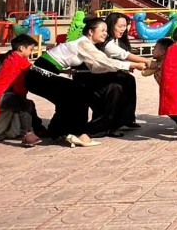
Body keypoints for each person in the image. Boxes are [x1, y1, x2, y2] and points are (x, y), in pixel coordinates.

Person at [30, 18, 146, 147]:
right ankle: (77, 133)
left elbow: (96, 67)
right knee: (78, 94)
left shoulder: (86, 45)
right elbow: (106, 62)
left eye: (106, 31)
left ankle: (57, 131)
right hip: (39, 75)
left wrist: (124, 67)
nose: (105, 34)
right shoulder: (83, 43)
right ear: (91, 32)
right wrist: (133, 64)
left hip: (42, 75)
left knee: (71, 98)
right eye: (102, 30)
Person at [86, 14, 152, 134]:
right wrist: (146, 61)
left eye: (125, 26)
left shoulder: (117, 40)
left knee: (129, 79)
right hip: (92, 76)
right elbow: (124, 55)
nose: (123, 29)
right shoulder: (105, 43)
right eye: (120, 26)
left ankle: (127, 119)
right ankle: (108, 125)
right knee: (116, 87)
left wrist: (127, 67)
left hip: (106, 72)